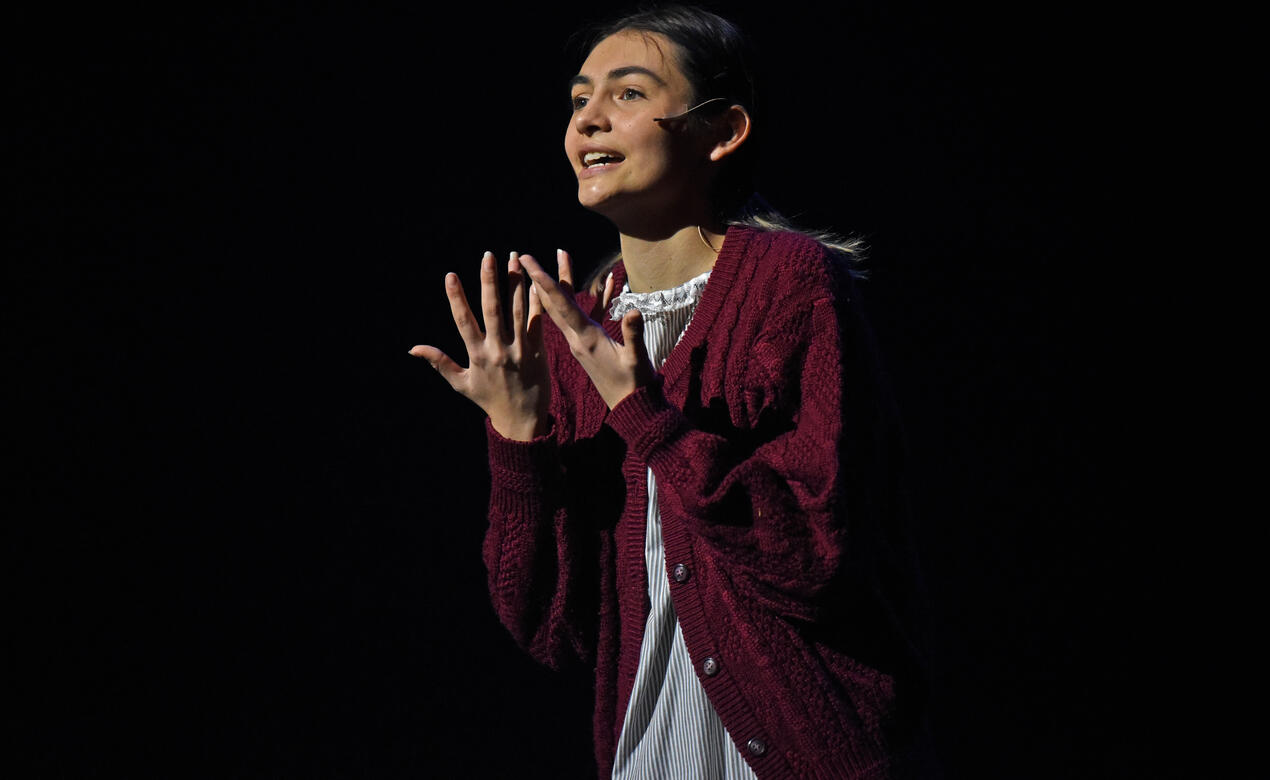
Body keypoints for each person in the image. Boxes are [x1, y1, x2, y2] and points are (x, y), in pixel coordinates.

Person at [411, 4, 936, 777]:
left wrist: (649, 418)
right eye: (579, 99)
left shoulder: (790, 286)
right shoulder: (572, 334)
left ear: (720, 132)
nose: (588, 119)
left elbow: (819, 560)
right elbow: (555, 630)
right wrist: (518, 441)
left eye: (626, 93)